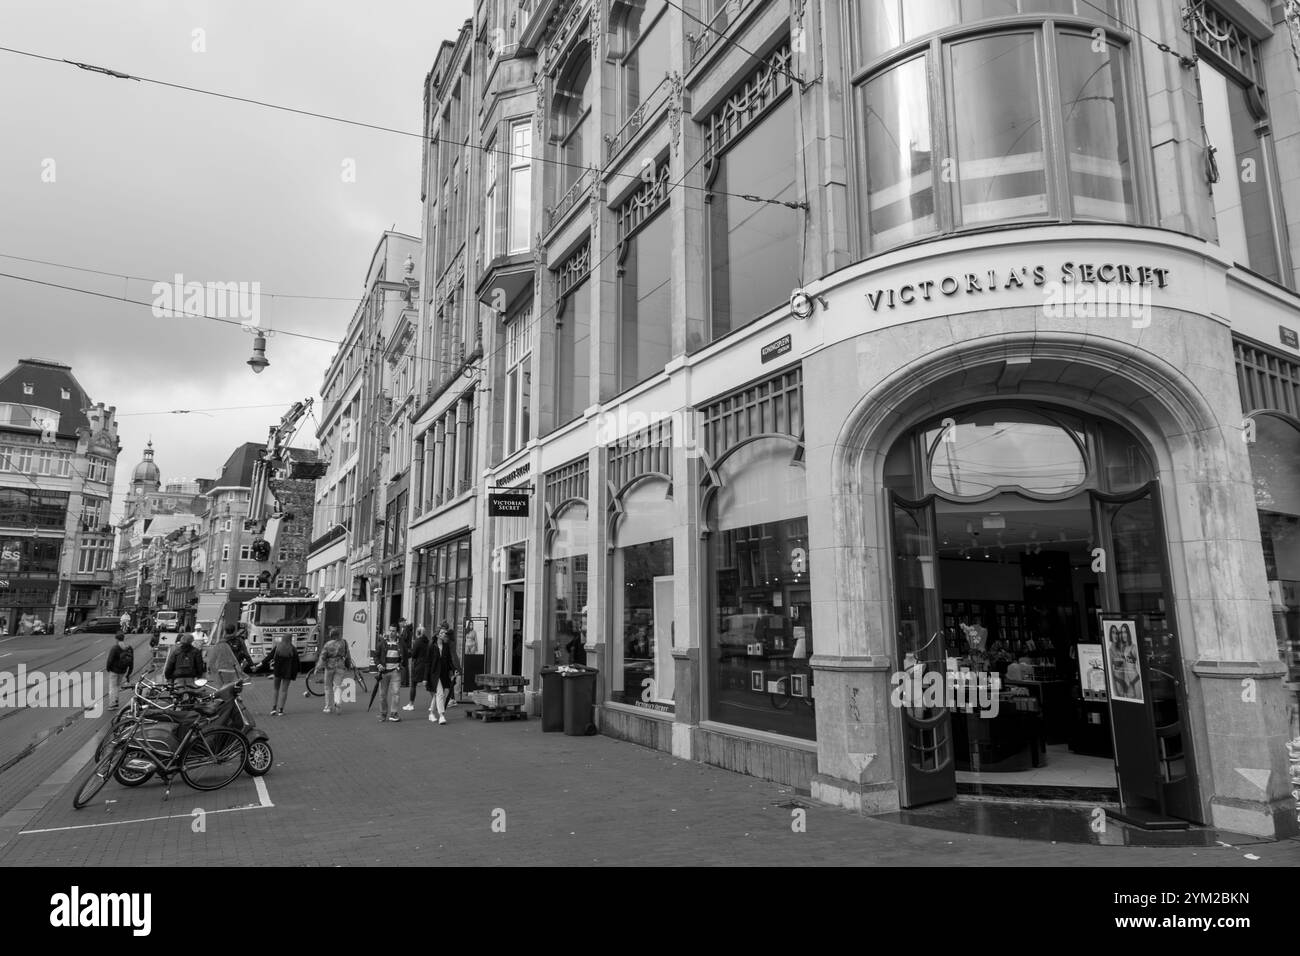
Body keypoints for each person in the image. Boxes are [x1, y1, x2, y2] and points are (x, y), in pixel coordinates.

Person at [425, 622, 460, 725]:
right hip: (434, 674)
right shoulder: (432, 647)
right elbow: (427, 663)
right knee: (440, 693)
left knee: (437, 694)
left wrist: (454, 670)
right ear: (438, 635)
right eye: (442, 633)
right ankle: (441, 715)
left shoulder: (446, 646)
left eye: (445, 633)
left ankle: (431, 713)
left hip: (443, 674)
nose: (445, 634)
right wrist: (425, 678)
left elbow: (449, 661)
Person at [314, 626, 352, 714]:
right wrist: (348, 666)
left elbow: (323, 657)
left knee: (327, 687)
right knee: (337, 686)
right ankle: (338, 702)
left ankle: (327, 707)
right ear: (339, 634)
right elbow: (348, 655)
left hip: (329, 666)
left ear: (331, 635)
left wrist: (317, 667)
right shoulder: (344, 643)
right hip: (340, 666)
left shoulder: (328, 644)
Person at [372, 626, 404, 722]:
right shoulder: (382, 643)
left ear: (396, 632)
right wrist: (378, 665)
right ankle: (383, 713)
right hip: (384, 672)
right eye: (390, 630)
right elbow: (376, 656)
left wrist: (400, 666)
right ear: (387, 631)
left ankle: (393, 713)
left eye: (393, 631)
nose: (391, 632)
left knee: (396, 693)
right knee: (382, 695)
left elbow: (405, 656)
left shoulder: (400, 643)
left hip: (395, 672)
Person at [268, 633, 301, 716]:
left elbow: (269, 657)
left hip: (277, 671)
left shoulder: (278, 647)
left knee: (275, 689)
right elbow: (297, 663)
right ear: (290, 639)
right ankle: (281, 710)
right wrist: (297, 672)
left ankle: (273, 708)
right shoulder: (293, 649)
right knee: (284, 690)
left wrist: (259, 665)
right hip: (288, 672)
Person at [105, 632, 134, 710]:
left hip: (114, 671)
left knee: (112, 687)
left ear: (116, 639)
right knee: (117, 686)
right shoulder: (129, 648)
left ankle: (112, 704)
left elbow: (110, 660)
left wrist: (108, 668)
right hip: (122, 671)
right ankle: (116, 702)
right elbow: (131, 662)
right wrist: (128, 674)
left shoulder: (115, 648)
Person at [404, 626, 430, 711]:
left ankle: (411, 704)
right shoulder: (427, 641)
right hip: (425, 664)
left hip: (417, 664)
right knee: (430, 685)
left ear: (417, 633)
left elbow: (413, 654)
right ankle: (434, 703)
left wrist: (409, 651)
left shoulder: (417, 641)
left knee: (413, 685)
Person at [398, 618, 413, 688]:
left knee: (403, 665)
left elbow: (404, 638)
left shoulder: (406, 629)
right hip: (407, 649)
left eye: (400, 623)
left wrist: (399, 637)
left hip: (405, 649)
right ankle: (406, 682)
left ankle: (403, 682)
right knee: (406, 666)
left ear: (403, 622)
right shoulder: (407, 629)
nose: (400, 625)